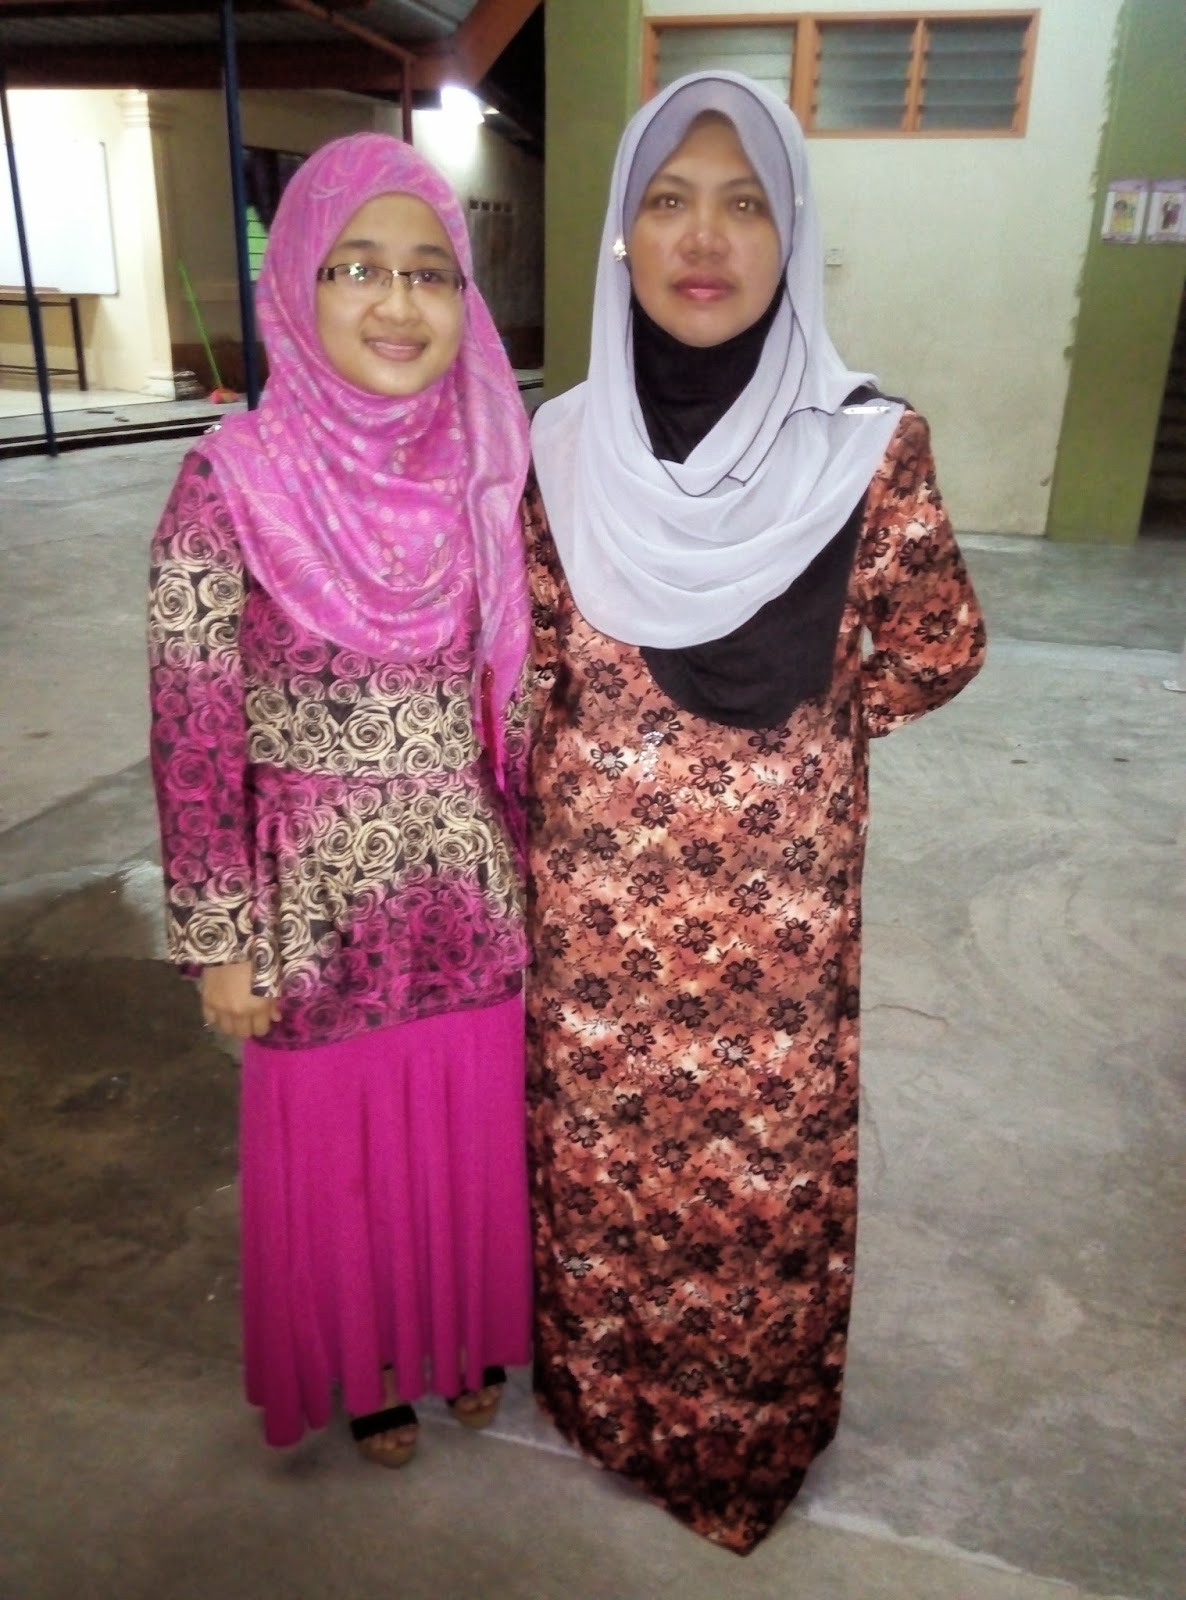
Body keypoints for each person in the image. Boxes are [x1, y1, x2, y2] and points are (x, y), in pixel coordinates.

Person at [525, 71, 986, 1554]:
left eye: (744, 203)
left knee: (751, 1191)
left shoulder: (866, 446)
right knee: (606, 1175)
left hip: (770, 941)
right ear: (622, 233)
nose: (703, 238)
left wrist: (804, 750)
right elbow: (534, 666)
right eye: (667, 200)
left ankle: (735, 1445)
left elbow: (937, 646)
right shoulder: (561, 446)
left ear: (795, 234)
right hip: (595, 927)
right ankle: (608, 1407)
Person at [148, 133, 533, 1466]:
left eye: (429, 272)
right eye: (357, 267)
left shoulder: (490, 469)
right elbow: (192, 726)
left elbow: (525, 696)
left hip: (469, 896)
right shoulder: (229, 479)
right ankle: (371, 1361)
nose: (397, 302)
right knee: (343, 1158)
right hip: (310, 908)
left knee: (466, 1138)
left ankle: (463, 1336)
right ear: (297, 283)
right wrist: (218, 940)